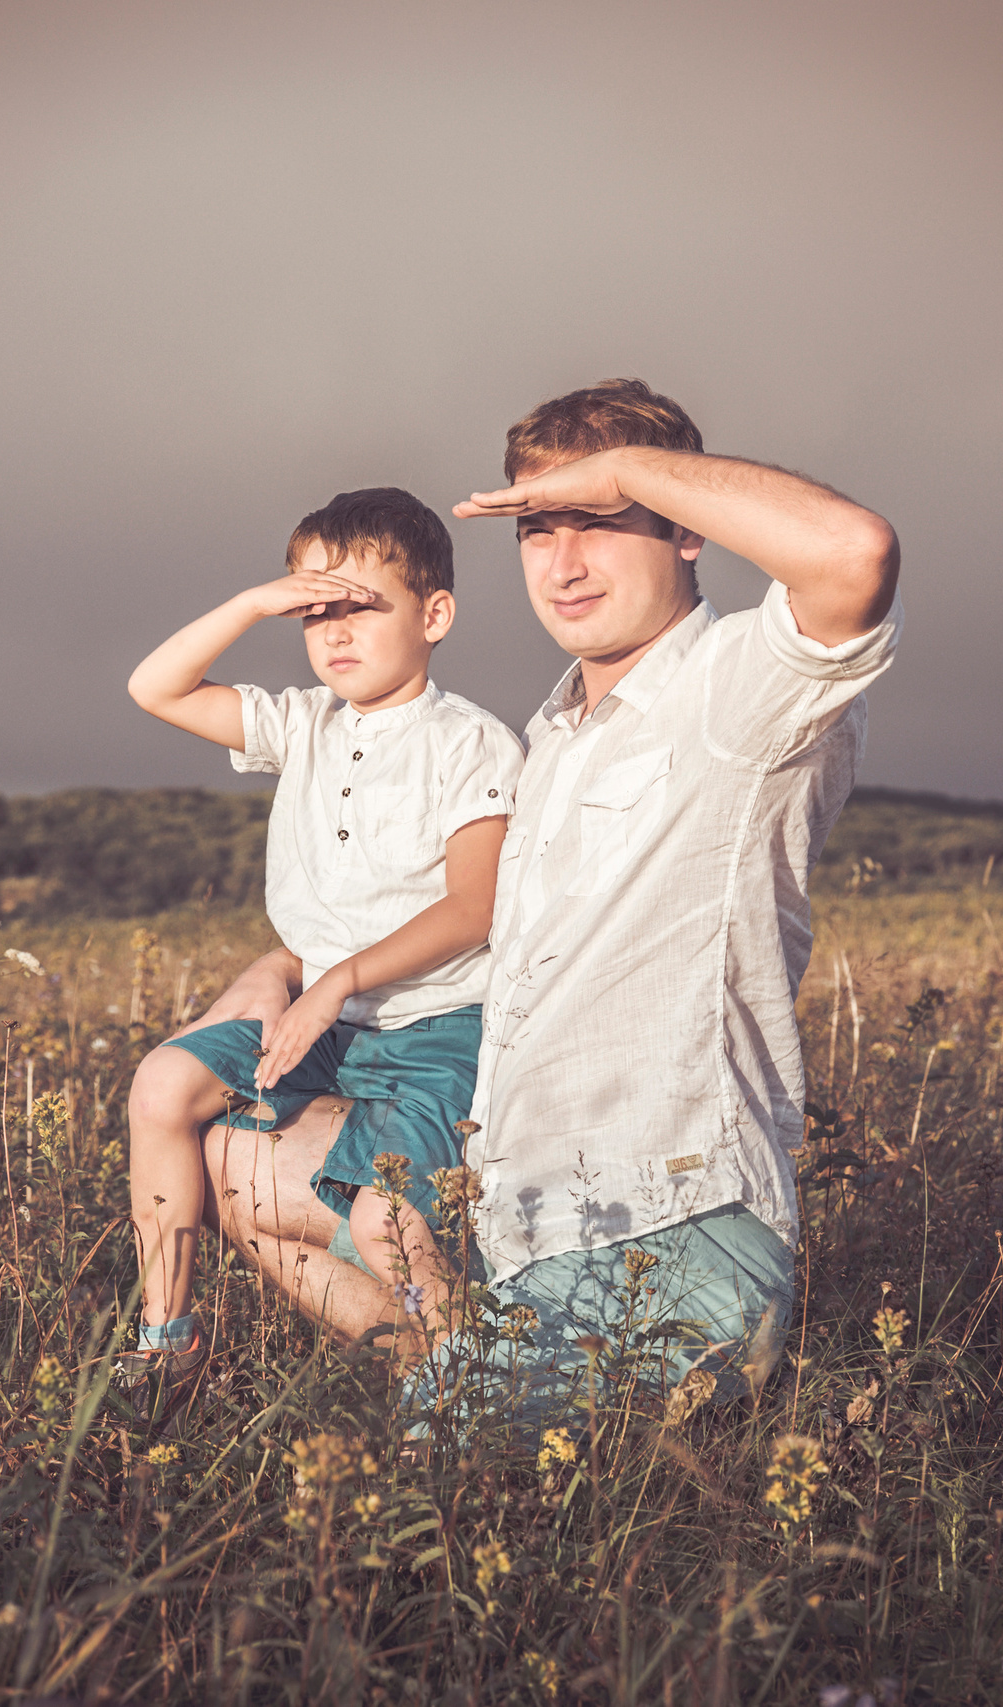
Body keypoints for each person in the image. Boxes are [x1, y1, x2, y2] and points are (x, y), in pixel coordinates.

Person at [210, 379, 900, 1422]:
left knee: (407, 1510)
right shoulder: (548, 736)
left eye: (602, 522)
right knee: (231, 1167)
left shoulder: (733, 690)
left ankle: (447, 1397)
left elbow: (853, 554)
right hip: (516, 1230)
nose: (563, 561)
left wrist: (629, 469)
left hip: (667, 1237)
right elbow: (458, 927)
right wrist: (280, 973)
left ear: (684, 532)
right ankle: (433, 1361)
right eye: (536, 527)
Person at [119, 486, 523, 1394]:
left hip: (435, 1027)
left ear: (435, 613)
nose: (334, 632)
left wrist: (334, 980)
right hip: (321, 1023)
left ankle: (460, 1377)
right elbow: (155, 687)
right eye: (315, 611)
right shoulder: (301, 724)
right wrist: (257, 601)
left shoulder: (473, 744)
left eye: (361, 607)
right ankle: (166, 1337)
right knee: (162, 1086)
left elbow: (475, 909)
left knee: (386, 1218)